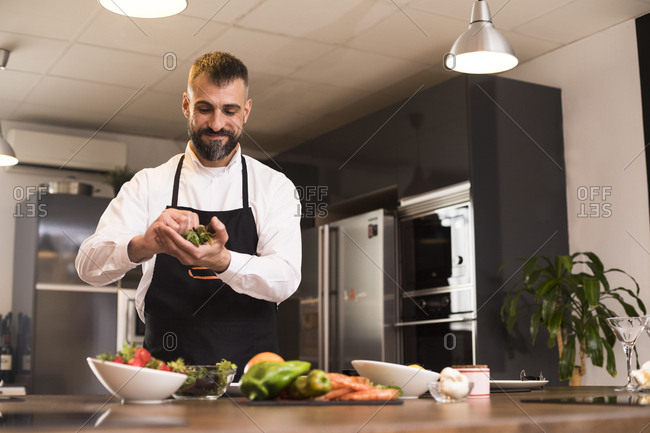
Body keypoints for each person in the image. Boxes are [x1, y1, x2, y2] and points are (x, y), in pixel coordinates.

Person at [76, 52, 302, 379]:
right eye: (205, 108)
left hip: (252, 382)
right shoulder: (149, 184)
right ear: (186, 105)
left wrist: (223, 260)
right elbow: (88, 266)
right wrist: (142, 245)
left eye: (230, 110)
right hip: (161, 379)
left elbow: (285, 279)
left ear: (247, 111)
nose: (216, 124)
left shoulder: (273, 187)